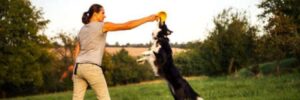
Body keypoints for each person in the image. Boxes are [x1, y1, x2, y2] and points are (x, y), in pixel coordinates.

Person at [72, 4, 158, 100]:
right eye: (103, 13)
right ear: (95, 14)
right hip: (92, 67)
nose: (105, 16)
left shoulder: (82, 29)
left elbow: (76, 50)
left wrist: (75, 69)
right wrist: (147, 18)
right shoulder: (103, 26)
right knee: (104, 98)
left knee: (77, 98)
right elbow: (128, 25)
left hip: (78, 68)